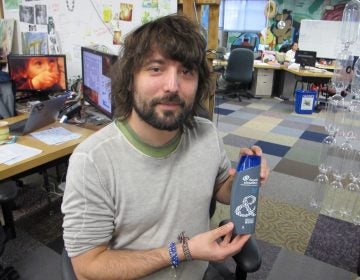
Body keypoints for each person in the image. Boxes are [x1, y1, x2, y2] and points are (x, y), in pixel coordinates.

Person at [62, 14, 269, 280]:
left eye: (186, 71)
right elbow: (86, 266)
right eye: (156, 68)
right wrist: (183, 251)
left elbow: (219, 189)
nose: (173, 86)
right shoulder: (92, 161)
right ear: (129, 79)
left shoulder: (206, 134)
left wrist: (242, 180)